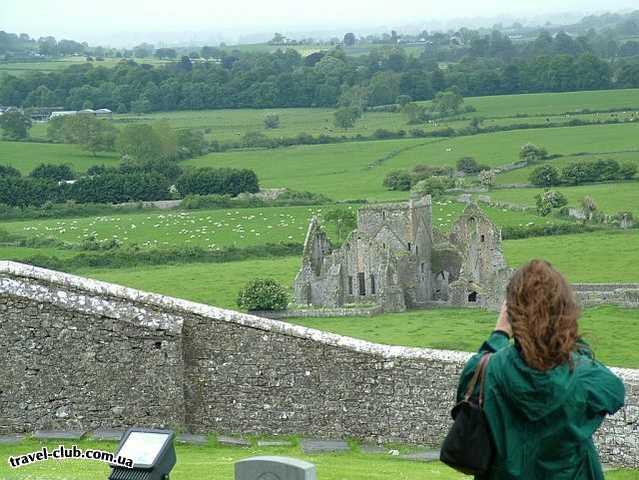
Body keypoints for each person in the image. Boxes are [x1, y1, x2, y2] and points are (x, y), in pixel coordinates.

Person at [456, 259, 625, 479]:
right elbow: (614, 392)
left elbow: (472, 381)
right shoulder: (584, 377)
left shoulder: (486, 371)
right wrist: (565, 335)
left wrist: (499, 334)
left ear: (510, 312)